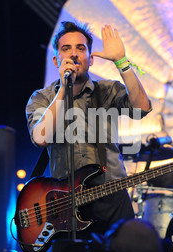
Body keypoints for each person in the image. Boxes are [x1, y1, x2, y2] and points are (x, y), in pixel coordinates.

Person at [25, 21, 152, 238]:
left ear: (90, 59)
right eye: (67, 49)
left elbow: (141, 109)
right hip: (65, 203)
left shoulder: (108, 89)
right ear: (56, 60)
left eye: (81, 48)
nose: (74, 54)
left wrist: (122, 62)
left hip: (111, 195)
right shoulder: (42, 98)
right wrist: (64, 90)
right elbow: (40, 138)